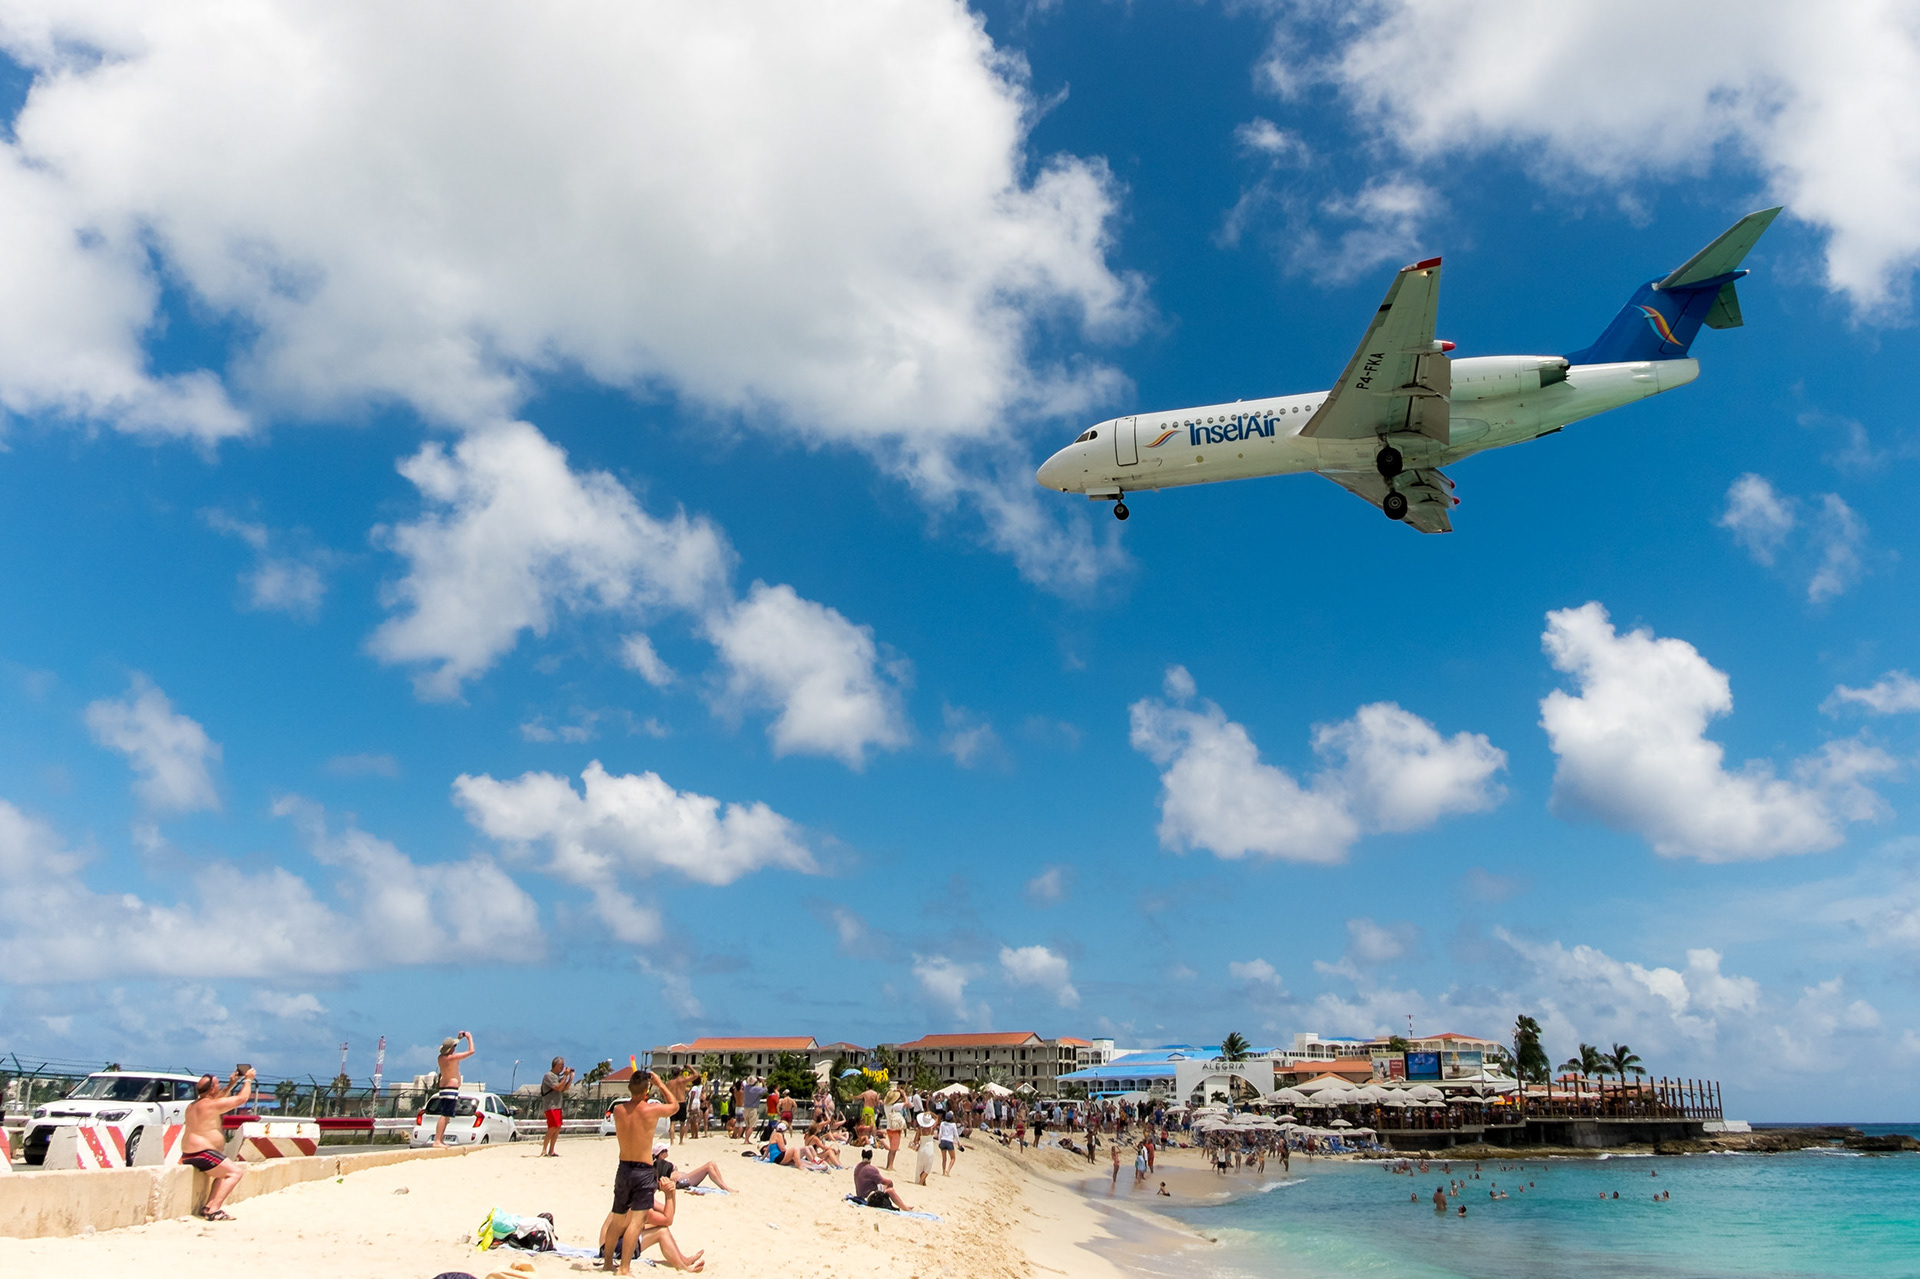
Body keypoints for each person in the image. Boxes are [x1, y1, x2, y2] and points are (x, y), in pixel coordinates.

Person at [598, 1069, 689, 1276]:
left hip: (623, 1169)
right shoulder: (651, 1110)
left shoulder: (619, 1110)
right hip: (642, 1170)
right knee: (637, 1221)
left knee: (618, 1219)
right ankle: (624, 1268)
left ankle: (607, 1263)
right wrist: (660, 1083)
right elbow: (675, 1106)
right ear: (647, 1090)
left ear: (629, 1087)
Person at [181, 1067, 255, 1220]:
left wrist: (231, 1084)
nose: (220, 1086)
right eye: (217, 1084)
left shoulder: (194, 1105)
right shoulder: (210, 1105)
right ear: (212, 1089)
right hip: (202, 1152)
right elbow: (241, 1099)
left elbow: (217, 1099)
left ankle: (208, 1207)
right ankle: (214, 1211)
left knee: (221, 1175)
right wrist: (248, 1080)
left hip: (191, 1153)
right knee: (235, 1173)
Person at [428, 1031, 477, 1148]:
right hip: (451, 1088)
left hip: (443, 1087)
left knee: (447, 1115)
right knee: (445, 1114)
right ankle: (437, 1140)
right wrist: (469, 1037)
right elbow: (471, 1051)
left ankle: (440, 1139)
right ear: (451, 1049)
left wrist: (459, 1039)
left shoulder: (440, 1058)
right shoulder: (452, 1058)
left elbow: (449, 1047)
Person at [655, 1141, 735, 1192]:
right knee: (709, 1166)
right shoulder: (659, 1165)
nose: (667, 1151)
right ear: (661, 1154)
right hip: (683, 1180)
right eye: (666, 1150)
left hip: (685, 1178)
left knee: (712, 1163)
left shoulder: (664, 1164)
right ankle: (725, 1188)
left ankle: (724, 1185)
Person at [540, 1057, 576, 1157]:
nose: (563, 1067)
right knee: (552, 1128)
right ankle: (544, 1150)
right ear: (556, 1065)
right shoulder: (549, 1076)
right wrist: (564, 1076)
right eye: (561, 1065)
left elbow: (565, 1088)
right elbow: (557, 1087)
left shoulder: (557, 1077)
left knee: (557, 1128)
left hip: (558, 1105)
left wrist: (570, 1078)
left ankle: (551, 1150)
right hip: (550, 1105)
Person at [913, 1112, 938, 1185]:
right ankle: (921, 1182)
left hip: (922, 1148)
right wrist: (930, 1113)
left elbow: (915, 1140)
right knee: (928, 1167)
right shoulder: (932, 1128)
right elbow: (936, 1117)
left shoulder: (920, 1130)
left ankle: (922, 1181)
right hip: (929, 1148)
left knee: (920, 1166)